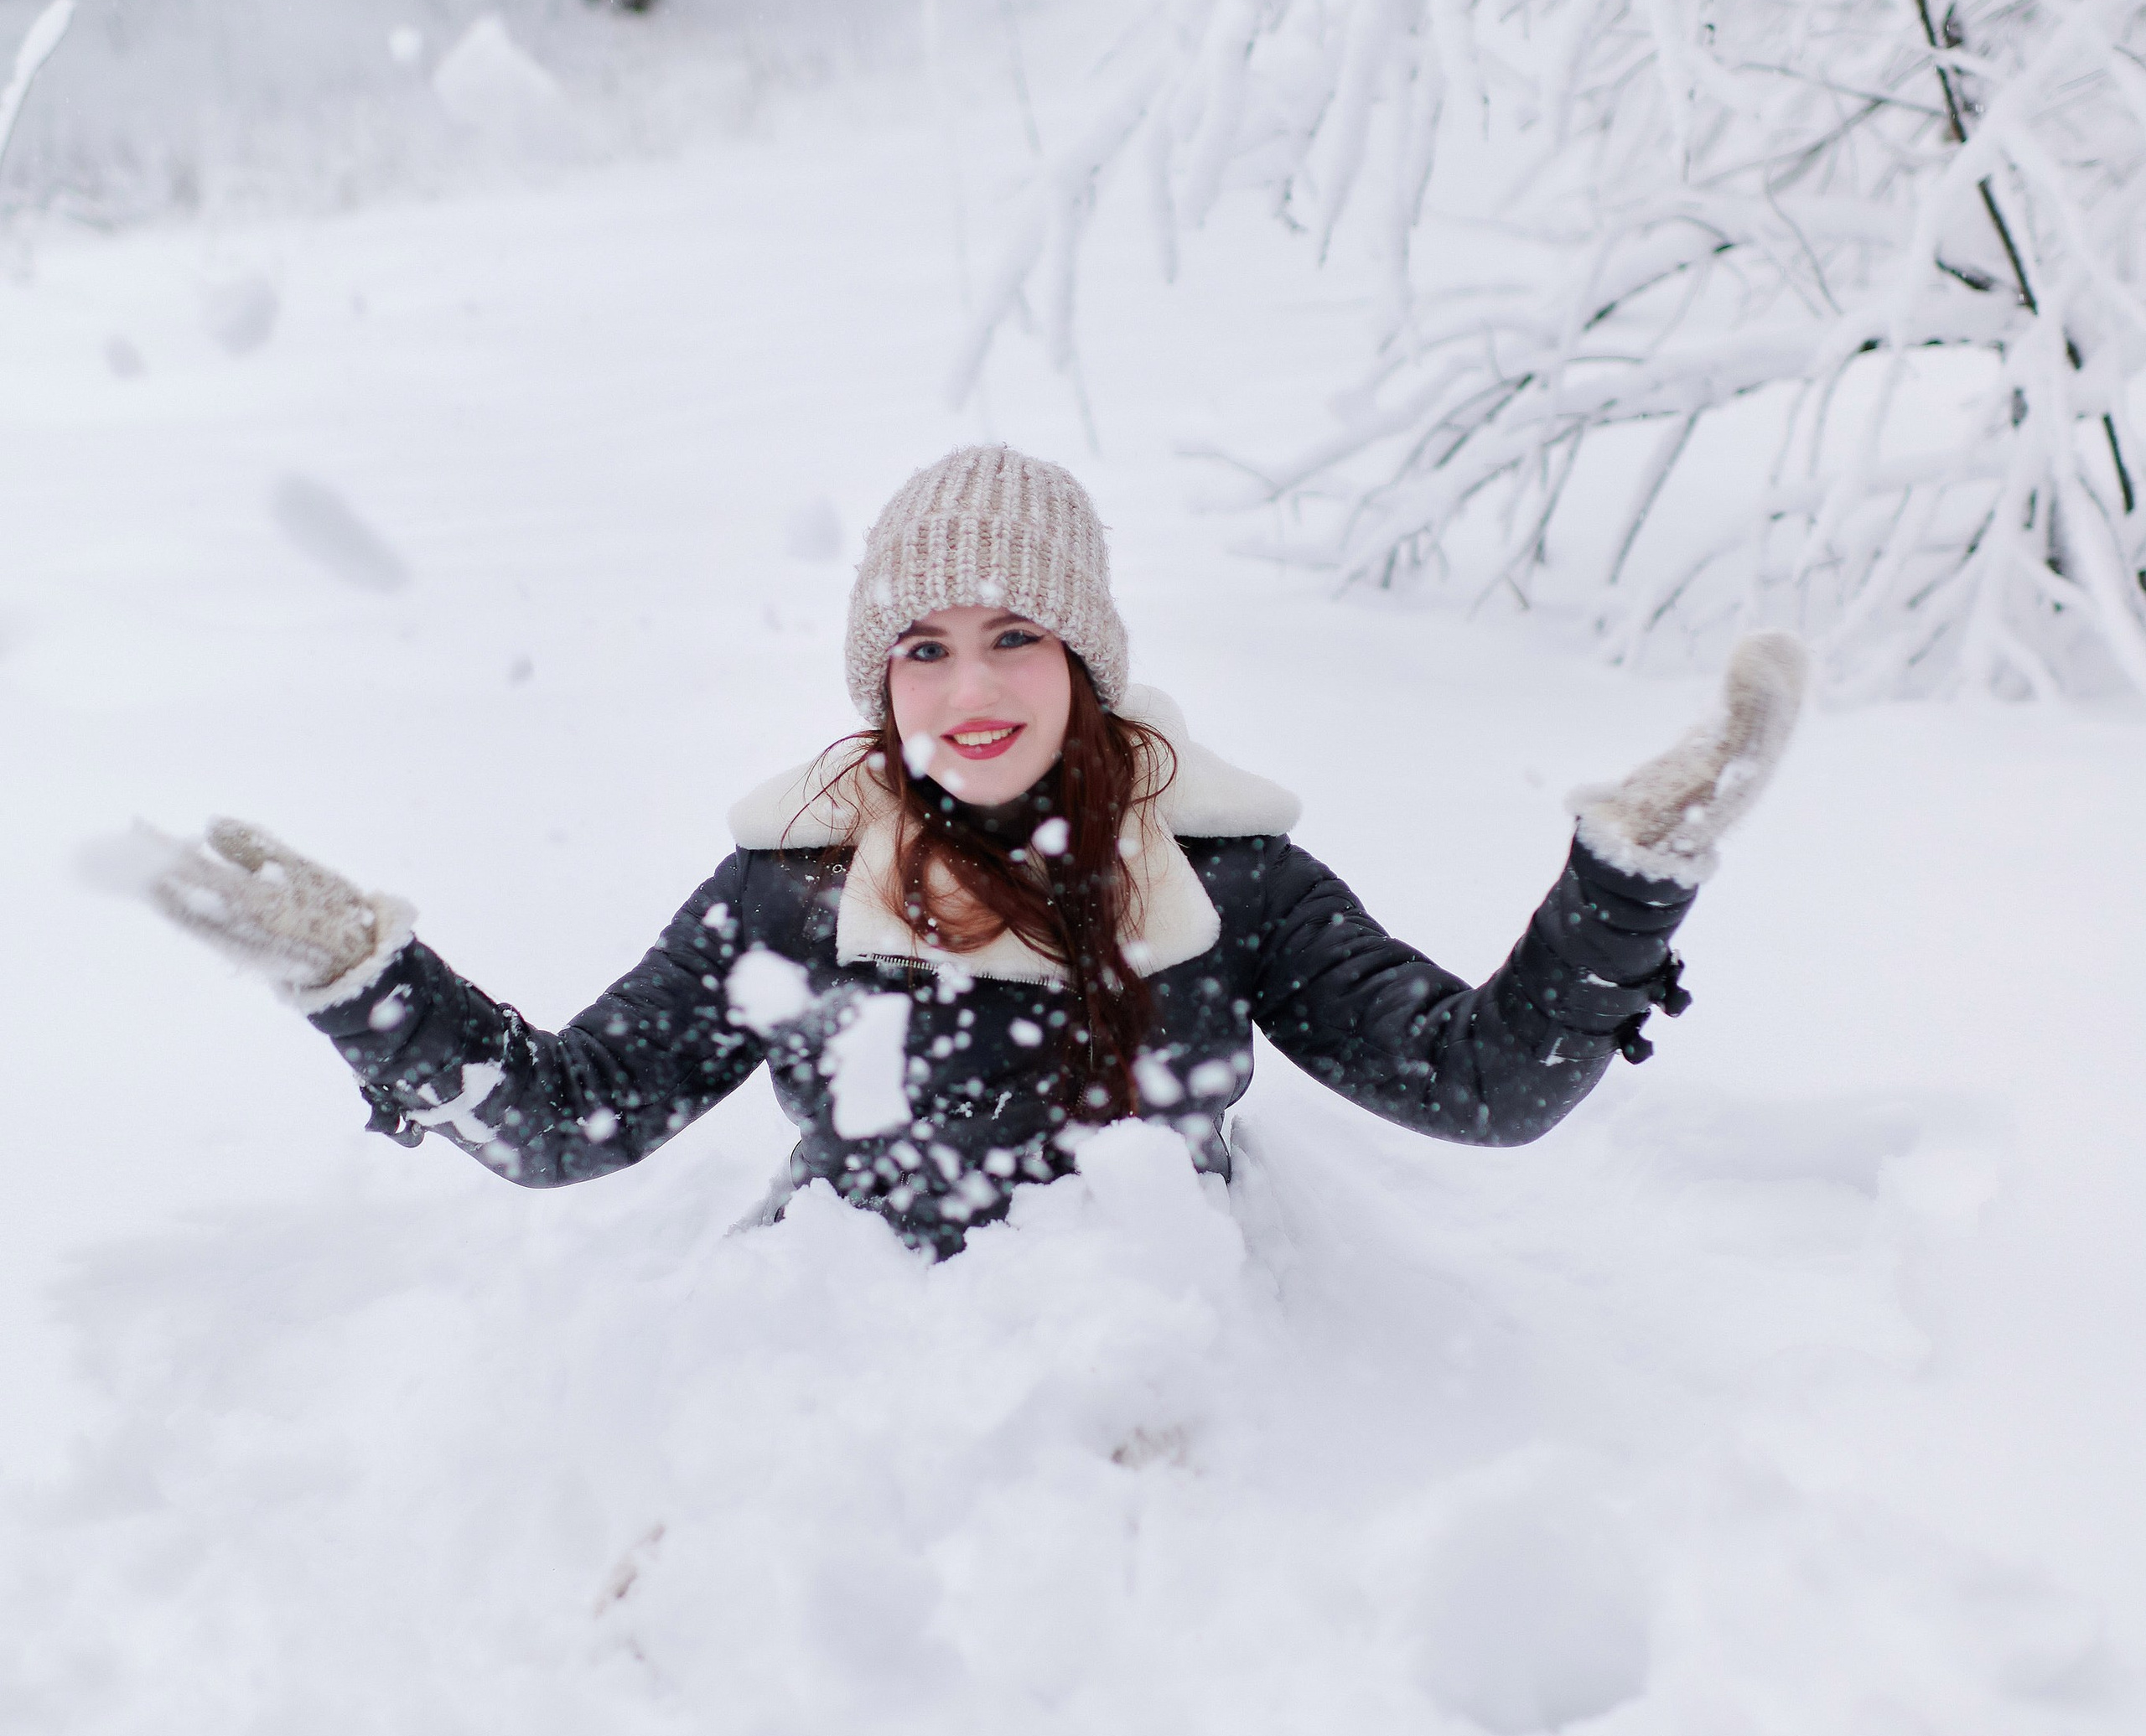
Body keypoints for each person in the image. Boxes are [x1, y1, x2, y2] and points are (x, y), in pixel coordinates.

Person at [146, 445, 1806, 1257]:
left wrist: (1621, 887)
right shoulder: (791, 889)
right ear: (875, 674)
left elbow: (1479, 1086)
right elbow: (576, 1122)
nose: (967, 687)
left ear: (1082, 652)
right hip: (845, 1406)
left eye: (1012, 633)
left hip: (1161, 1408)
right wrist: (363, 979)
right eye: (921, 646)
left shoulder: (1218, 875)